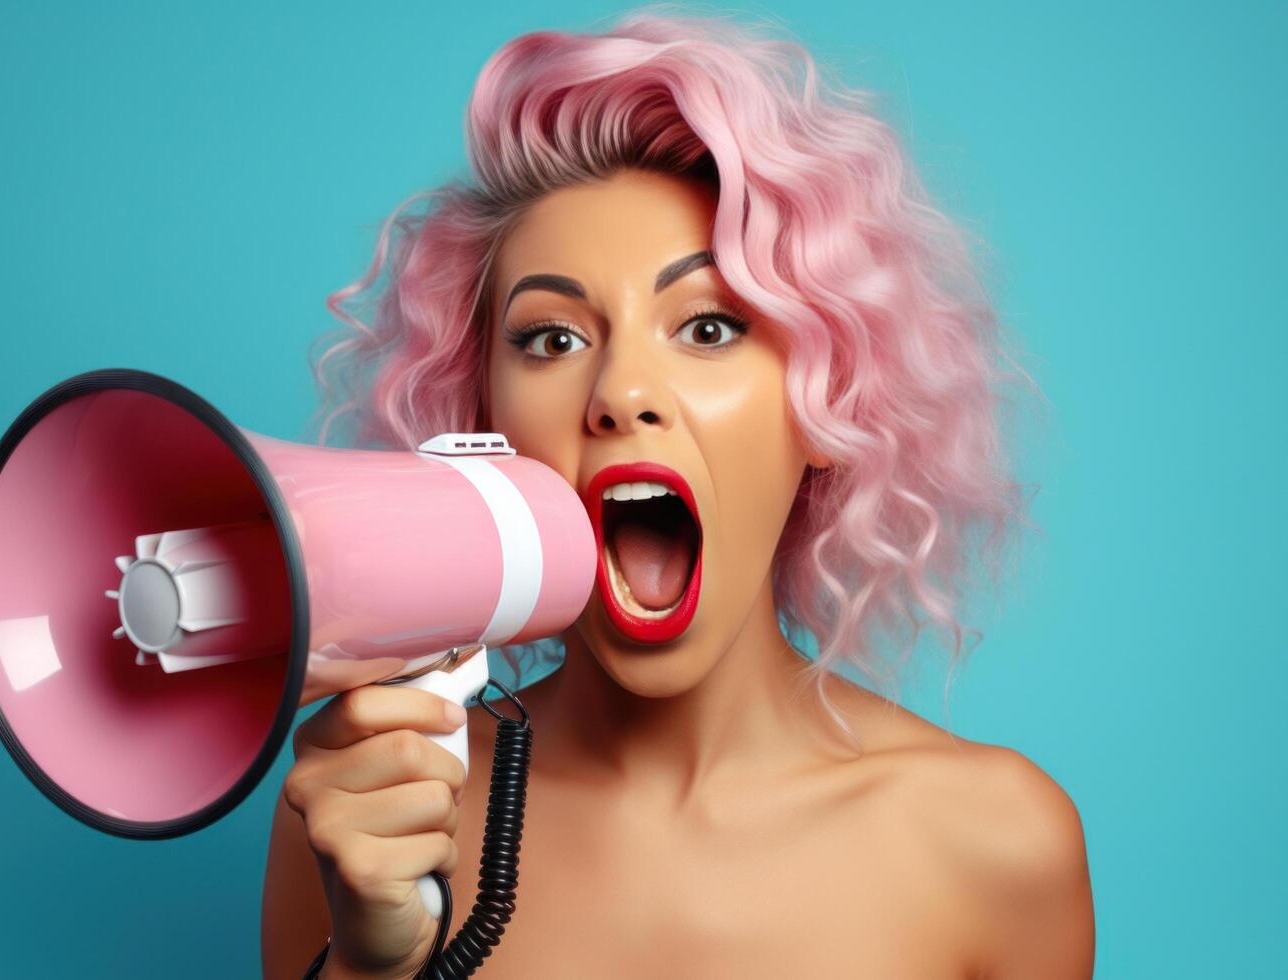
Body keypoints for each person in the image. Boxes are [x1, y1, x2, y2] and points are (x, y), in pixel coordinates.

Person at [260, 12, 1092, 979]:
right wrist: (373, 966)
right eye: (552, 340)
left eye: (706, 328)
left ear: (824, 402)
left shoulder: (994, 842)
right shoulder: (369, 813)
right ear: (484, 418)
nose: (618, 395)